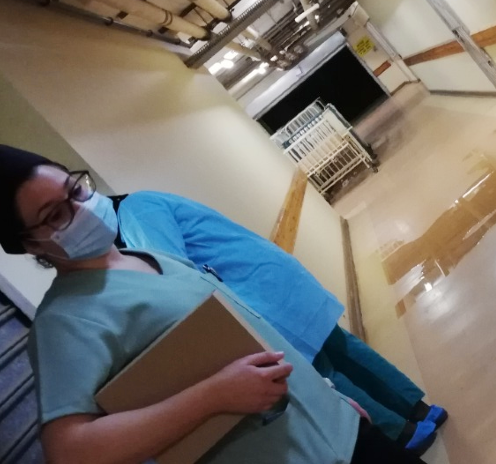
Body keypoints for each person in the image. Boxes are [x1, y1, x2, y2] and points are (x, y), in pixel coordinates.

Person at [0, 145, 425, 464]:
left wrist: (325, 395)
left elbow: (239, 337)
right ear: (27, 244)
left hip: (340, 428)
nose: (81, 208)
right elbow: (70, 450)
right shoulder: (65, 322)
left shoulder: (147, 257)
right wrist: (213, 397)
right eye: (55, 214)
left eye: (75, 189)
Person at [111, 190, 447, 453]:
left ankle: (402, 433)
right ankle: (419, 411)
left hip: (260, 296)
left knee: (324, 373)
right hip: (275, 283)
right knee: (346, 350)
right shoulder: (145, 201)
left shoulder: (133, 213)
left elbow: (177, 278)